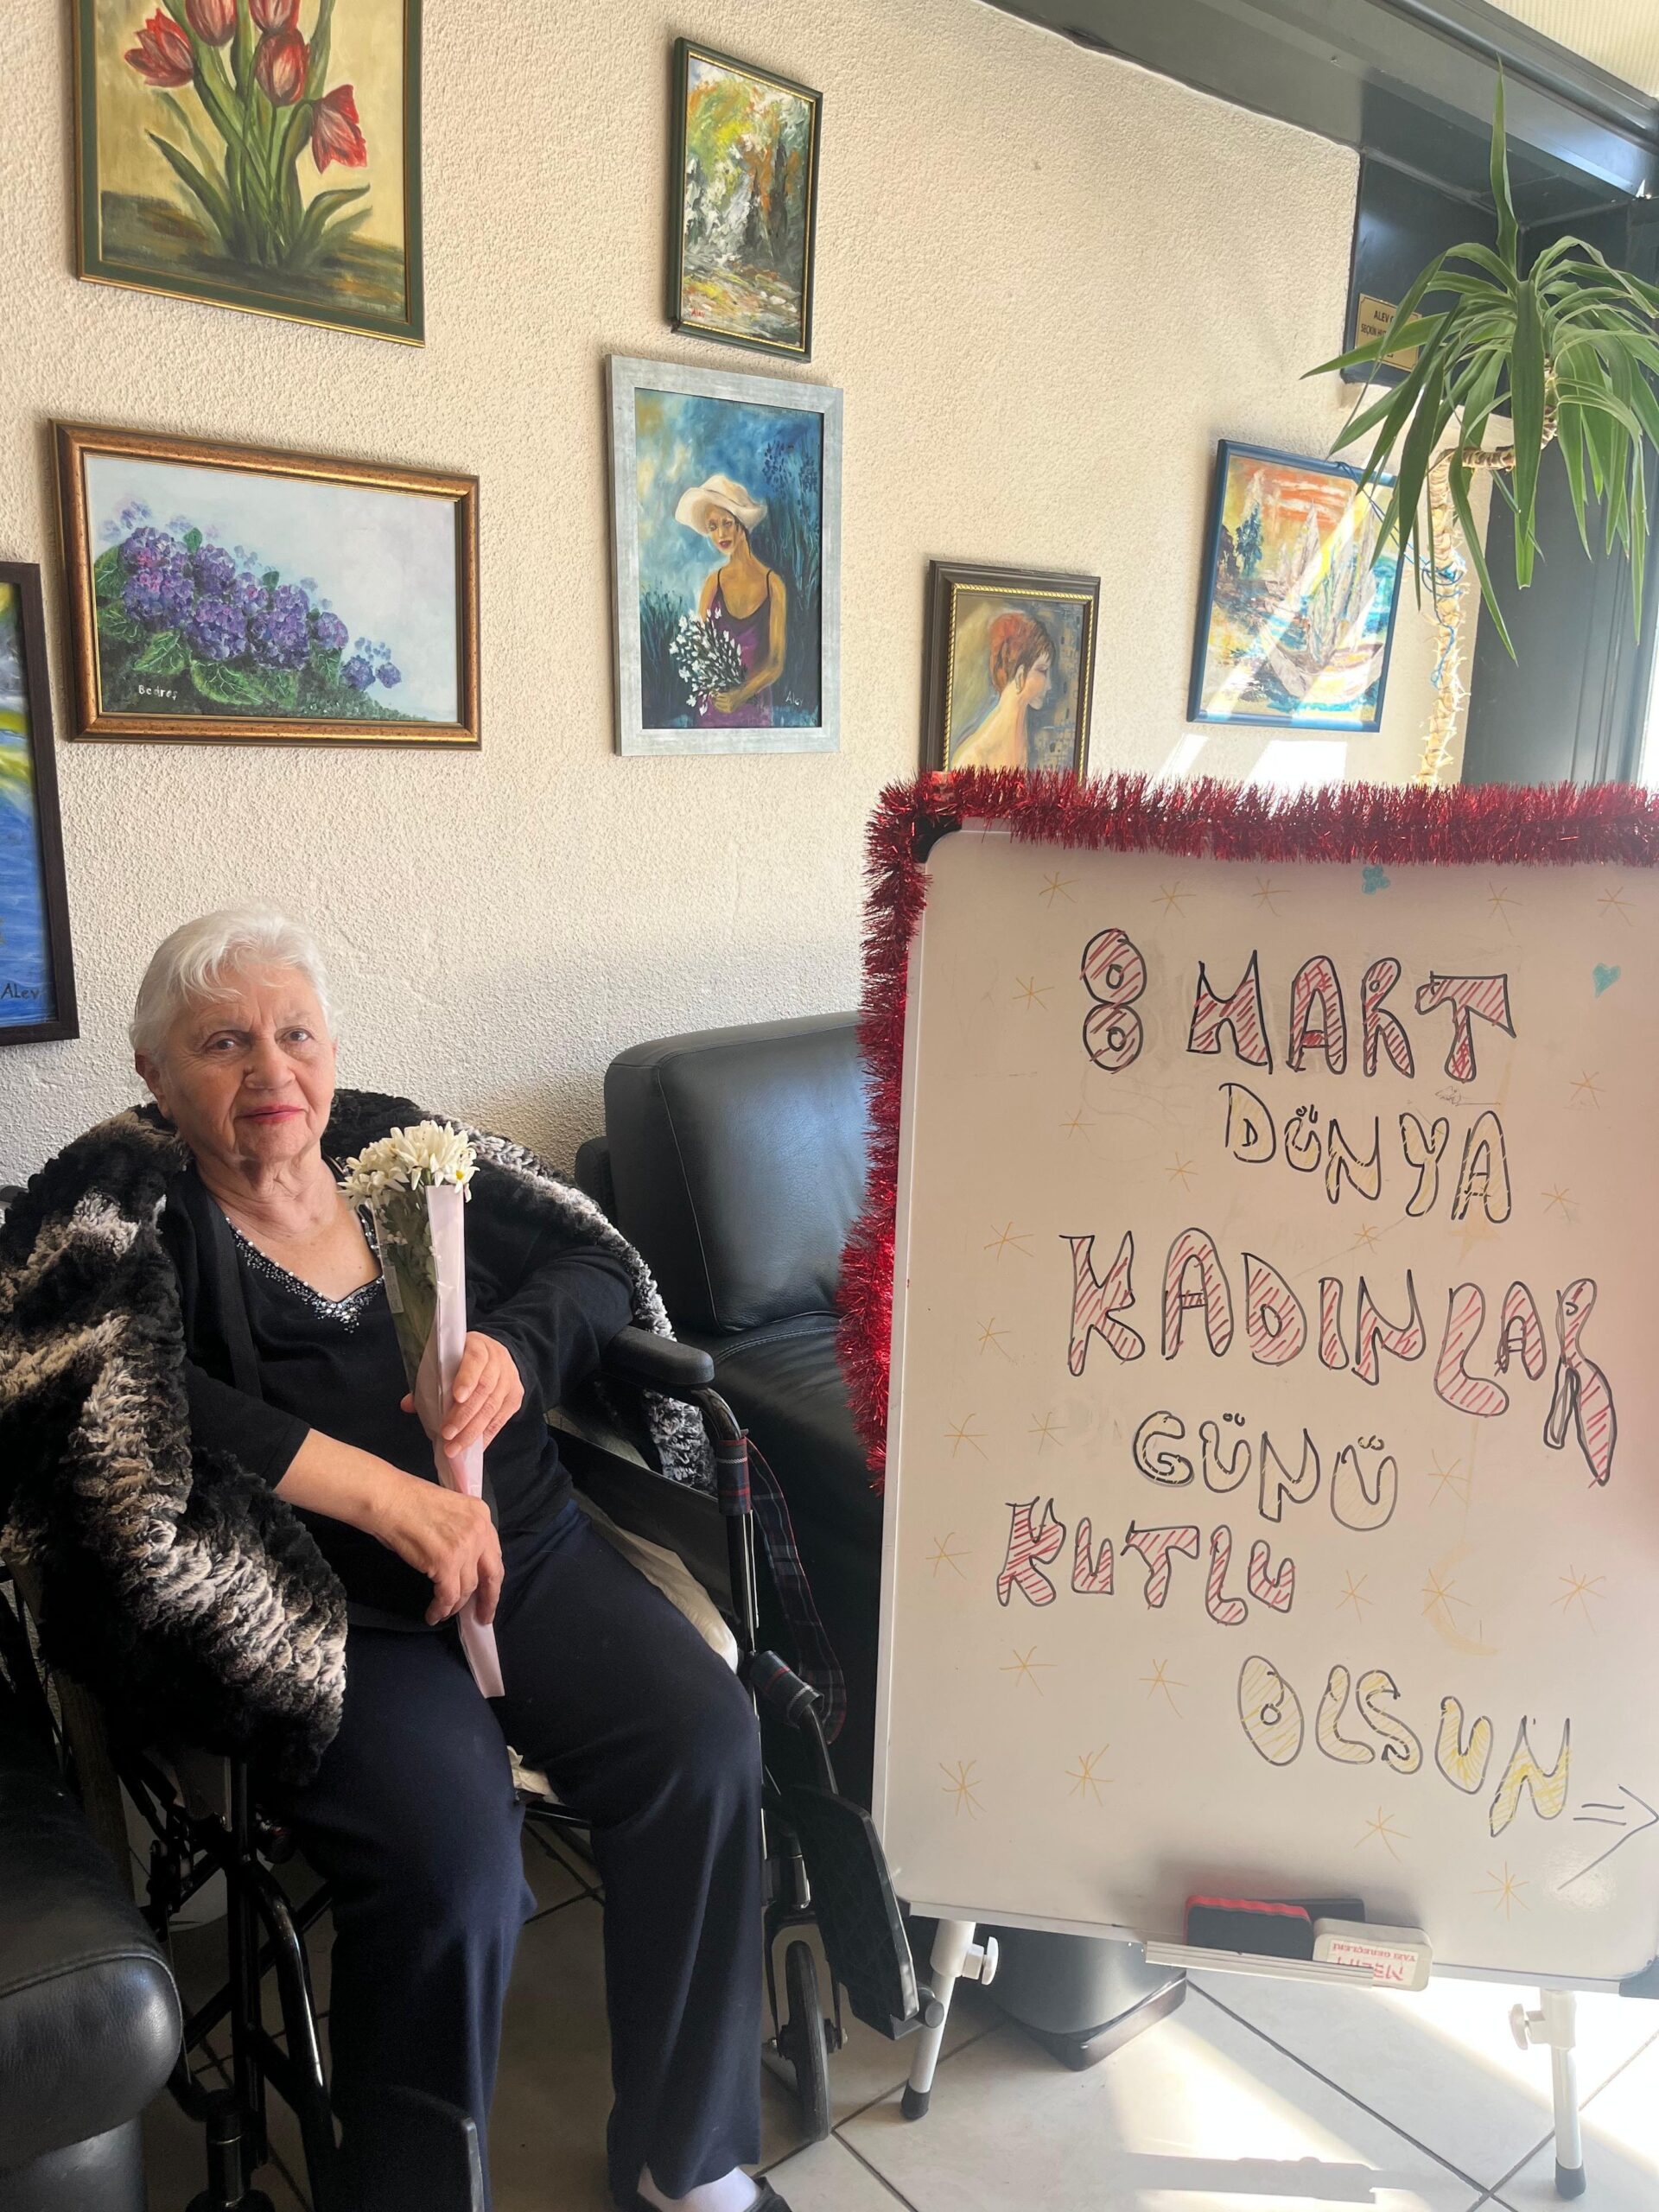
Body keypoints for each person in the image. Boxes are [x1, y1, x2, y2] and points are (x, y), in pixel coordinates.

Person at [0, 907, 789, 2212]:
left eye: (296, 1034)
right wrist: (377, 1494)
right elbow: (114, 1400)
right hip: (323, 1612)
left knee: (705, 1745)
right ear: (155, 1074)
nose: (273, 1070)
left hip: (525, 1547)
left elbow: (592, 1262)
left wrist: (518, 1349)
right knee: (454, 1863)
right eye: (223, 1043)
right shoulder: (137, 1218)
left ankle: (687, 2157)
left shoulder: (405, 1156)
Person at [674, 474, 786, 728]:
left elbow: (776, 662)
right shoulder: (713, 584)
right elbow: (701, 649)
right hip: (714, 707)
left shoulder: (773, 585)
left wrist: (741, 694)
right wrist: (720, 687)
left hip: (754, 706)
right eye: (713, 527)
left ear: (741, 525)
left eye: (726, 523)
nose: (720, 534)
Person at [949, 609, 1057, 771]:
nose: (1049, 685)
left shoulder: (1021, 739)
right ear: (1020, 676)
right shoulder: (974, 759)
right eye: (1042, 670)